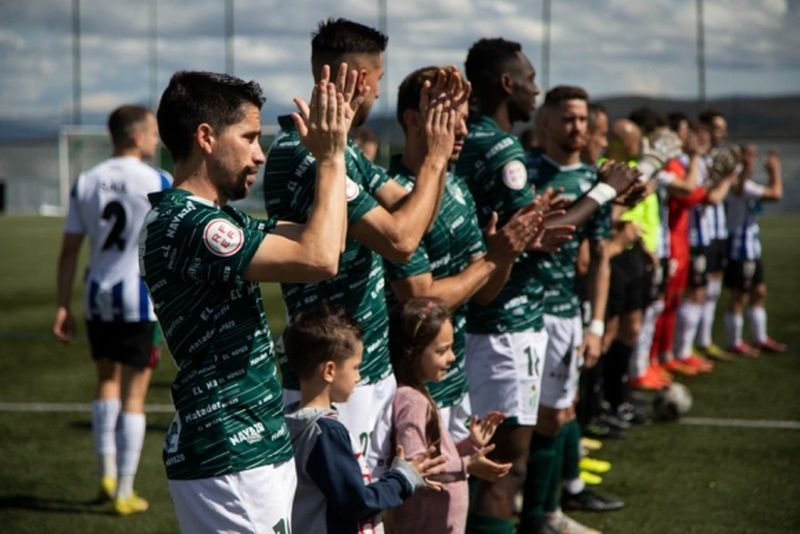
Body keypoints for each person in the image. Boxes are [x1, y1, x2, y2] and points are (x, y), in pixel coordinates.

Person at [139, 68, 357, 532]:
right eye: (250, 137)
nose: (260, 154)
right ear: (206, 137)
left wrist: (333, 159)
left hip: (250, 441)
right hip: (230, 447)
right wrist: (331, 158)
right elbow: (319, 258)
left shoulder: (215, 217)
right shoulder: (189, 223)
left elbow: (329, 243)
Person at [264, 18, 462, 474]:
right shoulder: (306, 153)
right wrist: (435, 158)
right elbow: (401, 240)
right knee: (345, 504)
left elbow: (412, 209)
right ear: (357, 79)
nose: (377, 93)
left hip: (364, 367)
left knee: (374, 499)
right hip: (329, 378)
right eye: (378, 80)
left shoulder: (345, 150)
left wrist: (436, 144)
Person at [456, 37, 638, 533]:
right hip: (504, 321)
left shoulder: (474, 139)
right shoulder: (501, 147)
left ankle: (544, 514)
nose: (535, 90)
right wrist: (604, 191)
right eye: (530, 80)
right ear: (507, 83)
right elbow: (537, 236)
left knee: (481, 458)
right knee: (501, 467)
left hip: (494, 317)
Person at [385, 65, 542, 442]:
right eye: (449, 118)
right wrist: (492, 260)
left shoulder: (457, 187)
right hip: (410, 389)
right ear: (412, 119)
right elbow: (420, 300)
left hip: (457, 377)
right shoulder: (392, 194)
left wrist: (507, 250)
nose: (462, 131)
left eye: (464, 119)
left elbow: (484, 292)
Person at [54, 104, 170, 515]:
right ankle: (124, 490)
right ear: (136, 136)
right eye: (153, 132)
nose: (157, 139)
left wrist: (62, 305)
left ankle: (106, 473)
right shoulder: (159, 180)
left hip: (97, 297)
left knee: (106, 381)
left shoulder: (87, 180)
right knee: (134, 395)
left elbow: (69, 250)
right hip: (140, 302)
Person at [527, 86, 622, 533]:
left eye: (583, 119)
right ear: (544, 123)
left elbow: (600, 258)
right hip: (521, 313)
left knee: (559, 413)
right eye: (568, 118)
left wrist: (596, 324)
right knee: (534, 420)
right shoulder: (524, 172)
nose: (577, 128)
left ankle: (547, 511)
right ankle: (537, 513)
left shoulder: (593, 183)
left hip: (566, 315)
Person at [283, 304, 446, 534]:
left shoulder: (293, 423)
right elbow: (356, 502)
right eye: (355, 367)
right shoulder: (326, 432)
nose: (358, 377)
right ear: (329, 371)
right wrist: (403, 479)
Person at [388, 298, 511, 533]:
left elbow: (436, 454)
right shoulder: (411, 401)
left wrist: (469, 444)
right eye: (442, 350)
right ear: (412, 352)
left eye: (451, 348)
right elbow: (417, 466)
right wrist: (468, 465)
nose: (452, 357)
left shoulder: (418, 394)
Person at [723, 147, 786, 354]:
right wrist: (775, 170)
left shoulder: (747, 184)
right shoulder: (736, 184)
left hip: (751, 248)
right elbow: (776, 194)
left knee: (759, 292)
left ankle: (760, 338)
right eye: (747, 155)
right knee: (739, 296)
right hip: (739, 249)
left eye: (753, 155)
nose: (752, 159)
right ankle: (734, 342)